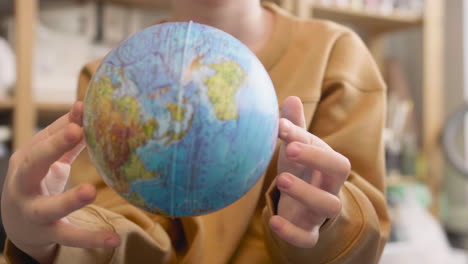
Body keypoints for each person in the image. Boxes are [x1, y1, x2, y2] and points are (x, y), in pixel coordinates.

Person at [1, 0, 390, 263]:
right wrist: (41, 242)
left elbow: (367, 232)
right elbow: (113, 231)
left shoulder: (337, 56)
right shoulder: (111, 82)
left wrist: (321, 222)